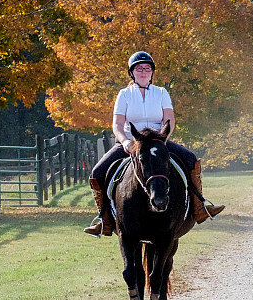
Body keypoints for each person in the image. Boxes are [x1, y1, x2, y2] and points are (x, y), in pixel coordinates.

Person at [84, 51, 225, 236]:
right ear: (132, 73)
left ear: (152, 72)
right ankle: (104, 220)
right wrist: (125, 141)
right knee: (98, 172)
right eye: (139, 69)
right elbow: (117, 125)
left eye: (147, 68)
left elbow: (169, 120)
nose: (143, 72)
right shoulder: (124, 95)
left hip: (159, 141)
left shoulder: (161, 93)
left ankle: (200, 207)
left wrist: (162, 140)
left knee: (191, 159)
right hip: (132, 142)